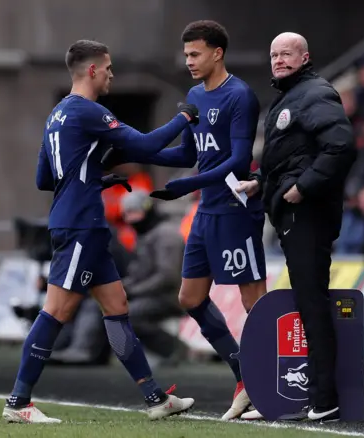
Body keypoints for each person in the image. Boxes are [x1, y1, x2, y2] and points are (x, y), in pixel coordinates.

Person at [1, 39, 199, 424]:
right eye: (107, 67)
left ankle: (156, 398)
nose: (111, 74)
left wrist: (93, 176)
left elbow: (45, 177)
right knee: (56, 311)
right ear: (91, 70)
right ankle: (18, 402)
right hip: (80, 227)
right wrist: (185, 118)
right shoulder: (88, 111)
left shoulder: (57, 114)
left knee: (117, 307)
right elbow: (146, 143)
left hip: (78, 221)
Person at [104, 20, 267, 421]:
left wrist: (186, 186)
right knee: (190, 298)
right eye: (186, 54)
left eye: (195, 54)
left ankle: (274, 383)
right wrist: (139, 153)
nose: (188, 61)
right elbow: (185, 153)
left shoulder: (240, 96)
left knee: (254, 302)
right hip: (206, 210)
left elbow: (237, 161)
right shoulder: (195, 96)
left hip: (234, 210)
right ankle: (246, 378)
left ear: (217, 53)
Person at [236, 32, 356, 422]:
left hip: (309, 214)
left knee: (311, 302)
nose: (279, 59)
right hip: (293, 212)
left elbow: (340, 146)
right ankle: (317, 395)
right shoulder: (289, 97)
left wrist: (303, 188)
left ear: (305, 57)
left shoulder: (315, 93)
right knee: (306, 302)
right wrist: (261, 182)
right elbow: (290, 156)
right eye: (273, 54)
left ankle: (326, 398)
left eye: (287, 53)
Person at [120, 191, 188, 365]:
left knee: (128, 315)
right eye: (127, 213)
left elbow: (168, 277)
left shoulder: (166, 234)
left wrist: (133, 291)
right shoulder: (146, 234)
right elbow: (139, 273)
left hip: (171, 296)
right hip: (152, 293)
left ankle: (174, 348)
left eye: (135, 212)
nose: (131, 219)